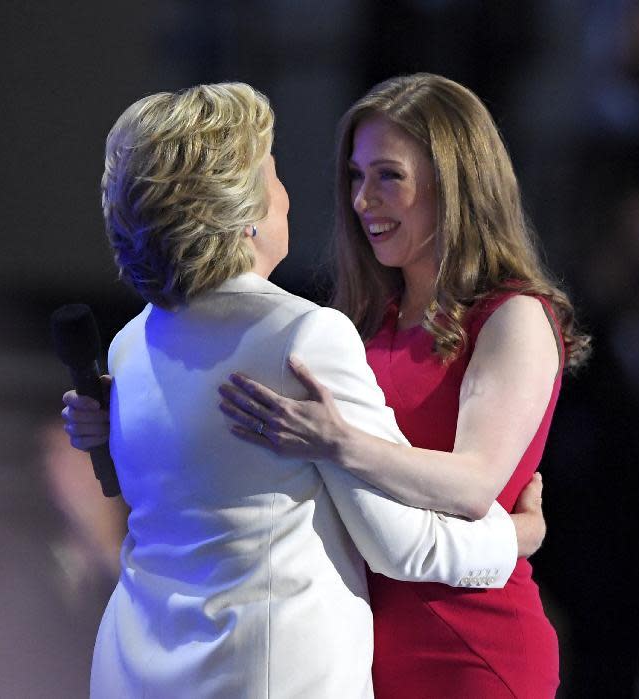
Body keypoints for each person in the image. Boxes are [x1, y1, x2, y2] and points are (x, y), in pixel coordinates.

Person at [65, 82, 547, 698]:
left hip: (135, 672)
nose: (290, 195)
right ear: (241, 214)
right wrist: (515, 537)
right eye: (272, 174)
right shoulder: (304, 334)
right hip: (266, 676)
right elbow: (401, 547)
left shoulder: (130, 346)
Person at [217, 74, 591, 698]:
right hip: (361, 647)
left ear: (455, 182)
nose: (364, 200)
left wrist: (339, 442)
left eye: (388, 176)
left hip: (470, 648)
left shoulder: (513, 316)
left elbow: (474, 485)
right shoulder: (367, 325)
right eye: (356, 177)